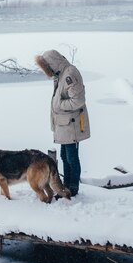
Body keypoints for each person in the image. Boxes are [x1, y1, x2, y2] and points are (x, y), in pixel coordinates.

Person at [35, 49, 90, 197]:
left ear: (53, 63)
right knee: (65, 157)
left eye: (48, 67)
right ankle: (66, 186)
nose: (48, 71)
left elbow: (78, 101)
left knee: (72, 157)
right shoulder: (60, 75)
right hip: (64, 124)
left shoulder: (69, 74)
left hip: (71, 125)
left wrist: (59, 105)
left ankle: (73, 187)